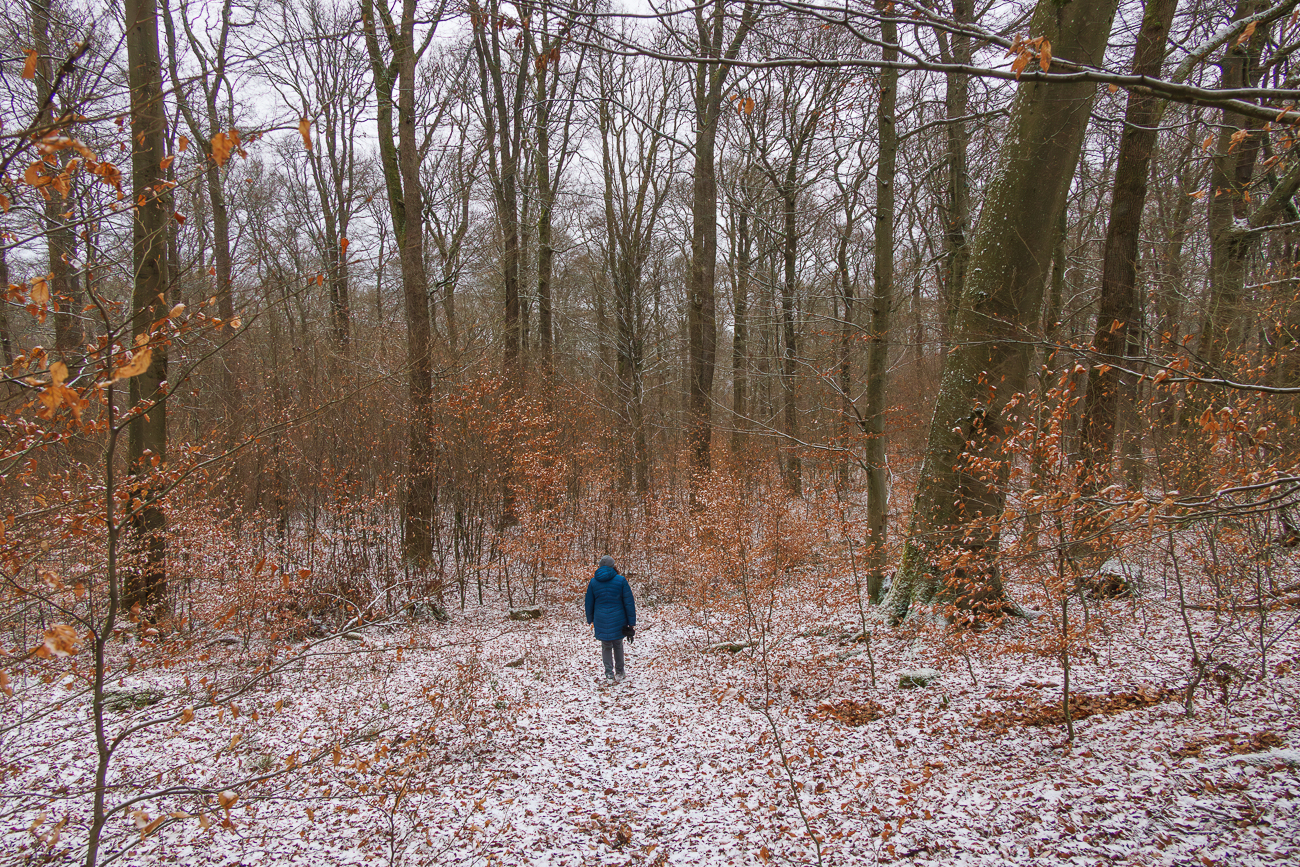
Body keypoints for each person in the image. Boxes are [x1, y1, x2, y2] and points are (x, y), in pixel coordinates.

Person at [584, 555, 636, 686]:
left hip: (600, 618)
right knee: (618, 644)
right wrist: (631, 622)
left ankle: (609, 674)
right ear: (613, 566)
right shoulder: (621, 580)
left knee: (606, 646)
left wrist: (590, 619)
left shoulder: (593, 582)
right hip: (619, 617)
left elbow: (589, 602)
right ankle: (620, 672)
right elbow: (629, 602)